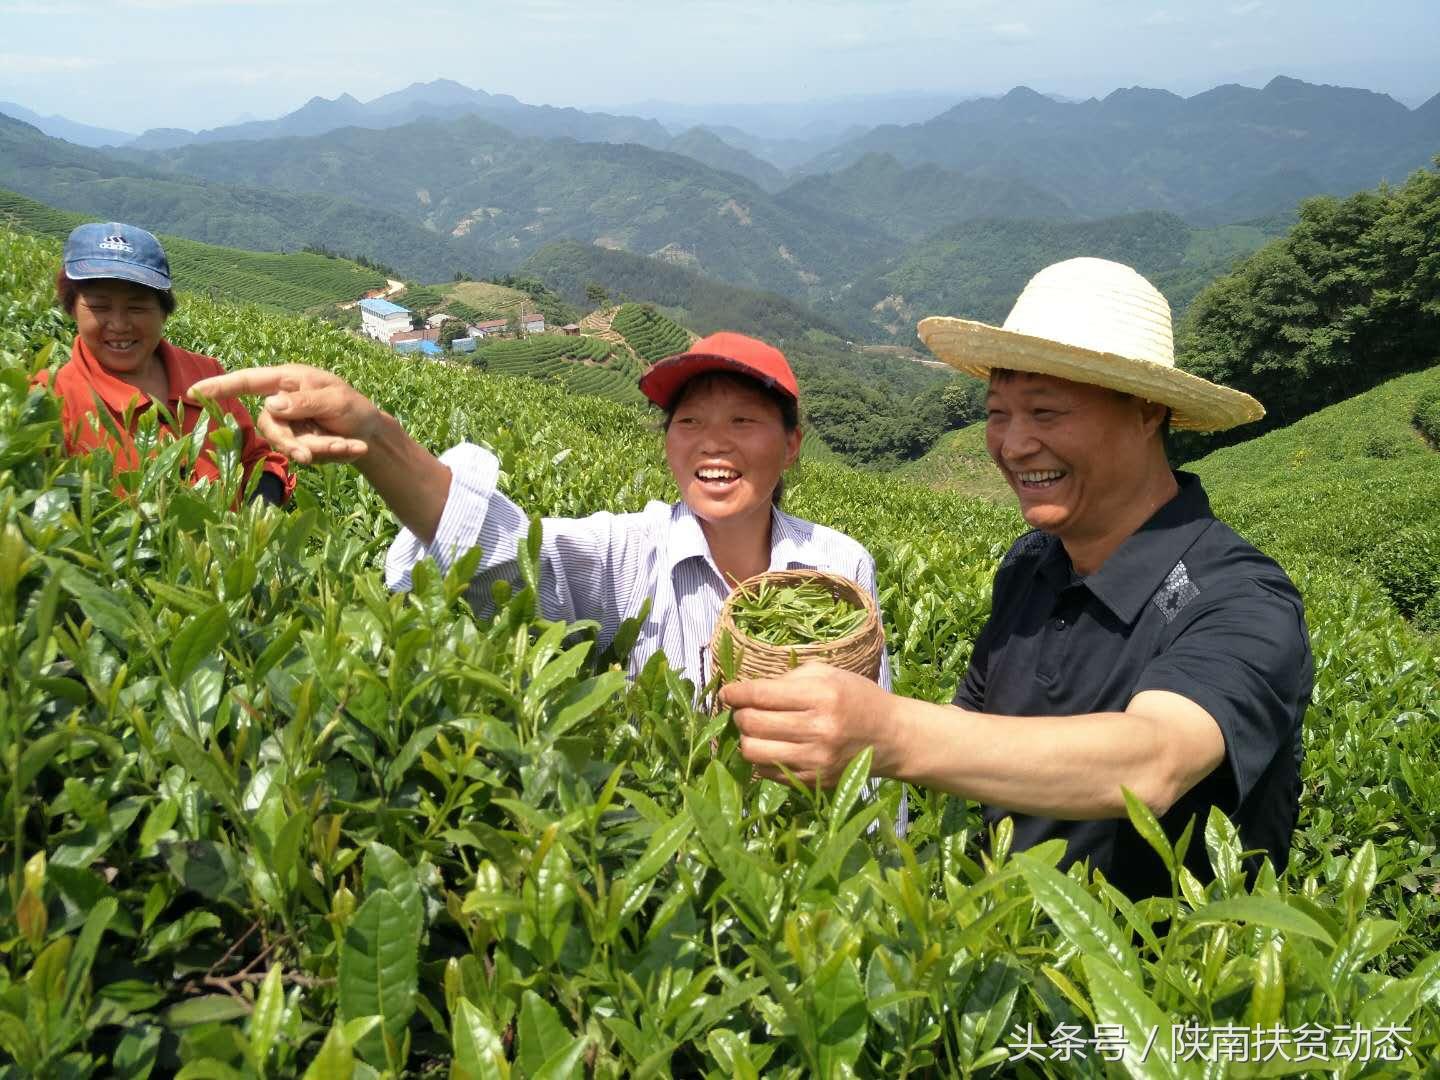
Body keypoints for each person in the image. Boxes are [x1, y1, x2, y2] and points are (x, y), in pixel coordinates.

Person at [721, 258, 1312, 899]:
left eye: (1047, 412)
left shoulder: (1244, 600)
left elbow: (1152, 762)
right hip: (1005, 962)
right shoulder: (1032, 562)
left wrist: (886, 732)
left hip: (1154, 988)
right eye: (999, 412)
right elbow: (973, 717)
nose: (1013, 443)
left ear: (1147, 412)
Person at [189, 331, 889, 692]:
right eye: (690, 421)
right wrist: (377, 438)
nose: (713, 442)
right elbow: (502, 553)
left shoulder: (839, 563)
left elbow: (871, 757)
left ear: (792, 446)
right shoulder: (633, 554)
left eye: (744, 421)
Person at [36, 222, 293, 506]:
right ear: (72, 307)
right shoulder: (49, 401)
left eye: (137, 307)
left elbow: (256, 459)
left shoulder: (207, 375)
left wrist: (260, 508)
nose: (119, 324)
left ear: (164, 311)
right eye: (99, 307)